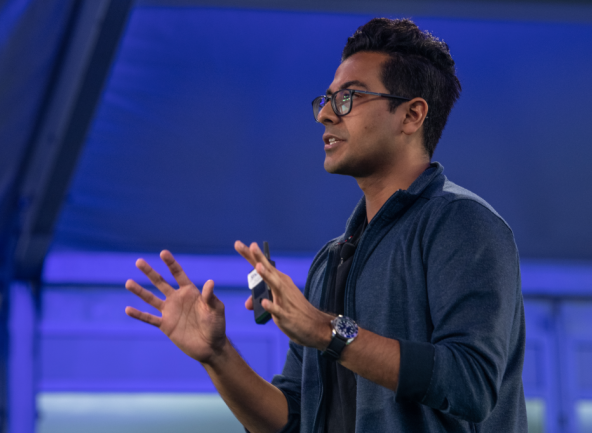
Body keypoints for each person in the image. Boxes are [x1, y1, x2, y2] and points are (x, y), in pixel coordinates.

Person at [124, 17, 527, 433]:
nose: (326, 116)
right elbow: (294, 419)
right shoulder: (331, 260)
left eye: (349, 98)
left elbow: (471, 383)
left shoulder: (463, 223)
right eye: (327, 100)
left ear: (412, 115)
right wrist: (218, 356)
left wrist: (325, 329)